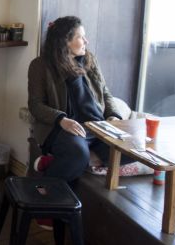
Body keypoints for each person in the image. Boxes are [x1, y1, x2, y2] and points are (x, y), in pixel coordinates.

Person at [28, 15, 127, 185]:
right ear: (65, 41)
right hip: (64, 127)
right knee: (77, 154)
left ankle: (62, 162)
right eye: (80, 37)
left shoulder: (90, 59)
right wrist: (61, 119)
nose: (86, 41)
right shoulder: (40, 65)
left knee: (131, 149)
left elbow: (105, 92)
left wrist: (113, 116)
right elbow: (35, 105)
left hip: (96, 125)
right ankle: (42, 193)